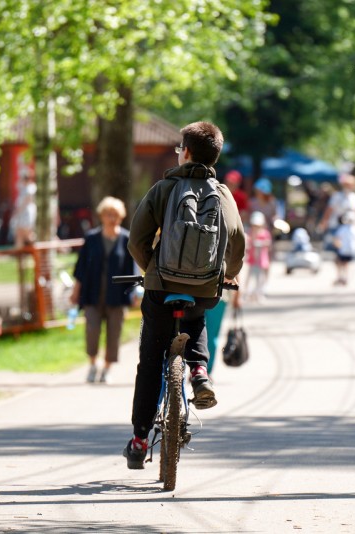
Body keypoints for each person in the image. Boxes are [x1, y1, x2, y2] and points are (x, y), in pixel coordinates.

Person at [123, 121, 245, 469]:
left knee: (149, 363)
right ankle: (198, 372)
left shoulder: (165, 188)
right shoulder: (223, 195)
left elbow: (136, 240)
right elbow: (237, 242)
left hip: (161, 289)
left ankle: (139, 438)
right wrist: (229, 274)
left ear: (186, 152)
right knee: (197, 316)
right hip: (205, 290)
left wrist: (152, 270)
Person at [70, 196, 136, 384]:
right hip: (92, 294)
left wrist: (133, 293)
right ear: (101, 216)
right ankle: (92, 365)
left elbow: (131, 270)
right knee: (92, 330)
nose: (111, 218)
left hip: (117, 296)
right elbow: (80, 268)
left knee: (114, 334)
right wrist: (75, 291)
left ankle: (107, 368)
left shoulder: (126, 239)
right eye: (108, 214)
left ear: (121, 216)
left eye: (115, 214)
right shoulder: (91, 238)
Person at [318, 174, 355, 249]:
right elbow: (329, 210)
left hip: (349, 226)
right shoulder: (337, 196)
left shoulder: (354, 197)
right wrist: (324, 222)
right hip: (336, 225)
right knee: (336, 247)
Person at [244, 211, 272, 302]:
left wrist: (261, 243)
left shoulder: (265, 233)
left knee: (260, 278)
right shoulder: (250, 233)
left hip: (261, 260)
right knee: (250, 277)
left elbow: (268, 243)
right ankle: (248, 294)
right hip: (252, 260)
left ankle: (259, 293)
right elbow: (247, 242)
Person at [333, 211, 355, 286]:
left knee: (338, 261)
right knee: (346, 263)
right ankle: (345, 277)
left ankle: (340, 277)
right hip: (353, 251)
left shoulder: (342, 229)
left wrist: (337, 248)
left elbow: (337, 240)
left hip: (344, 250)